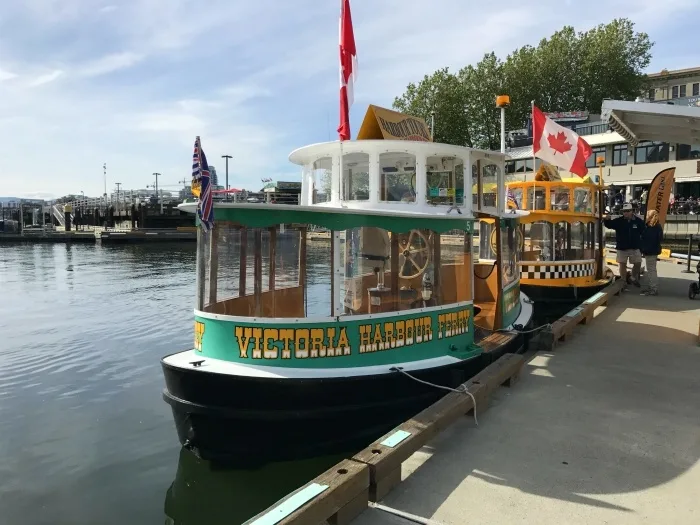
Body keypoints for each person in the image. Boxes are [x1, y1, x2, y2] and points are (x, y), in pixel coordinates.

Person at [604, 202, 645, 289]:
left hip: (635, 247)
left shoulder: (638, 221)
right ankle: (623, 281)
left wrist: (642, 245)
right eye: (624, 211)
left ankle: (632, 277)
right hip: (622, 247)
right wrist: (607, 219)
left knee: (638, 263)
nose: (625, 213)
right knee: (622, 265)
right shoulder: (619, 221)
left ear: (632, 211)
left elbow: (643, 231)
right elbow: (609, 225)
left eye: (627, 211)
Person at [640, 209, 663, 296]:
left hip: (649, 251)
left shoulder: (648, 227)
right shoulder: (658, 226)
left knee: (651, 270)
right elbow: (660, 239)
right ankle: (652, 287)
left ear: (649, 216)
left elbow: (644, 238)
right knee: (651, 269)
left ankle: (653, 288)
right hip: (654, 250)